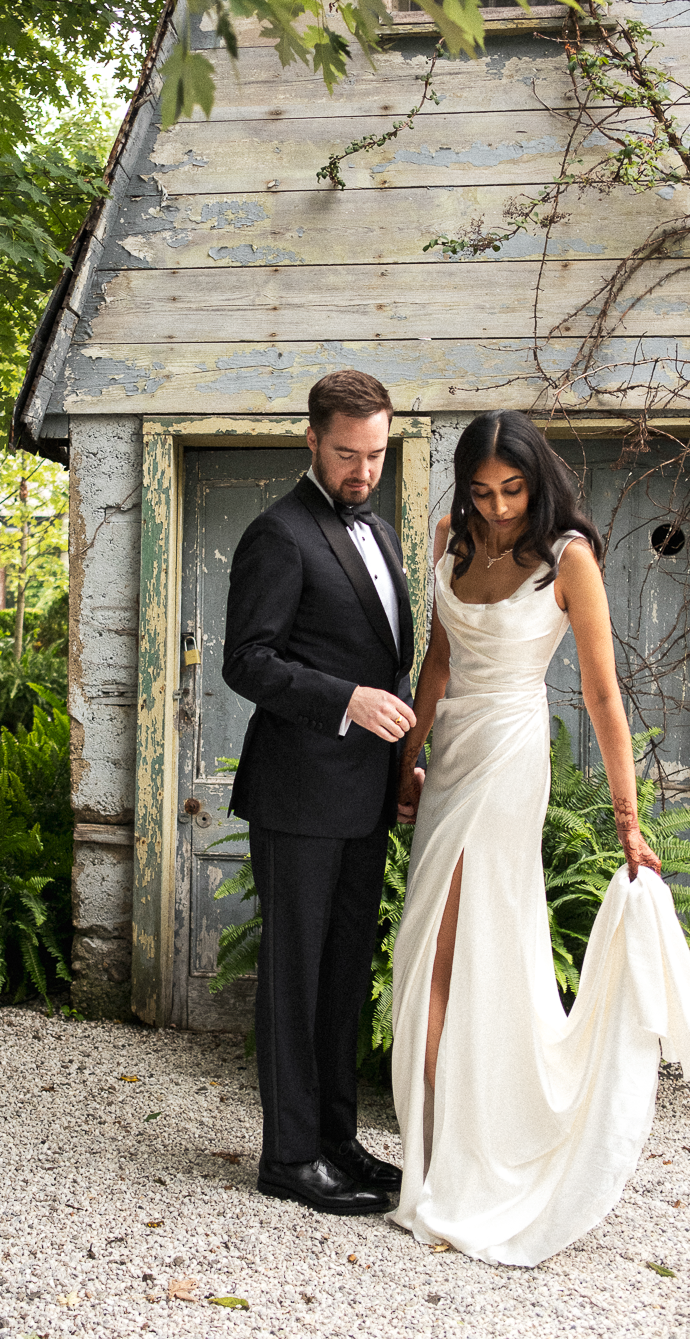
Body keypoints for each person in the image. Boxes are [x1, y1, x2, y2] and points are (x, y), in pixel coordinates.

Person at [391, 410, 690, 1266]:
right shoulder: (446, 535)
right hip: (454, 747)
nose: (496, 509)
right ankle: (435, 1150)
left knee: (454, 939)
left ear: (538, 480)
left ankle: (464, 1160)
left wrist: (629, 821)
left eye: (512, 490)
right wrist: (403, 765)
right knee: (429, 943)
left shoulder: (570, 555)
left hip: (511, 754)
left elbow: (603, 695)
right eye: (482, 492)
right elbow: (438, 662)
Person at [222, 369, 422, 1215]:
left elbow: (387, 657)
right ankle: (290, 1157)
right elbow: (249, 661)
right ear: (311, 439)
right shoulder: (279, 534)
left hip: (364, 797)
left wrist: (404, 757)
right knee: (296, 980)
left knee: (343, 976)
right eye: (348, 453)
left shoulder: (377, 530)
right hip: (299, 797)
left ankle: (338, 1142)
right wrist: (345, 700)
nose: (363, 470)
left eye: (376, 453)